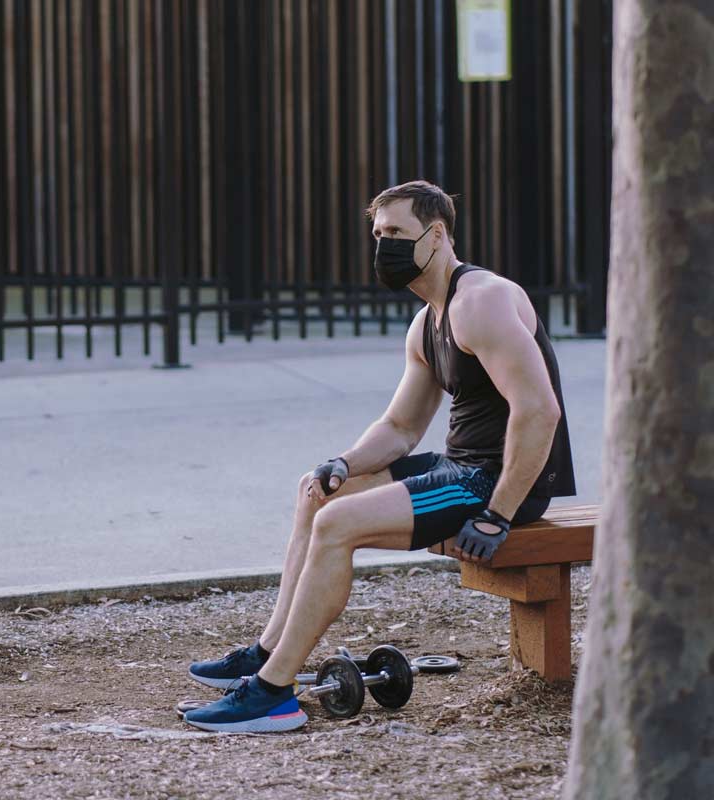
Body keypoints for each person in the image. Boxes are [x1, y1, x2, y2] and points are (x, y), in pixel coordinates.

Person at [183, 180, 576, 733]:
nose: (384, 245)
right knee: (319, 494)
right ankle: (268, 653)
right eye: (378, 234)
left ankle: (274, 695)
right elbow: (400, 426)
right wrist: (343, 463)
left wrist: (499, 513)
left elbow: (540, 411)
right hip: (459, 469)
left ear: (436, 236)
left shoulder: (481, 301)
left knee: (339, 524)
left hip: (499, 484)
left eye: (397, 233)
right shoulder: (427, 322)